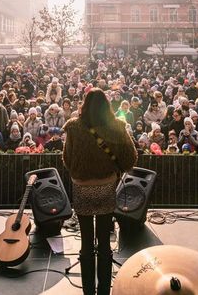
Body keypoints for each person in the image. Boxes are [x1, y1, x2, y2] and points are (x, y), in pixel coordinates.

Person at [62, 88, 136, 295]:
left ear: (84, 105)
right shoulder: (117, 126)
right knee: (104, 238)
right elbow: (130, 159)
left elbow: (67, 159)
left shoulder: (74, 127)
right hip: (106, 185)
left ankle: (88, 291)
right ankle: (104, 290)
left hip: (82, 187)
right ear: (107, 106)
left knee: (86, 240)